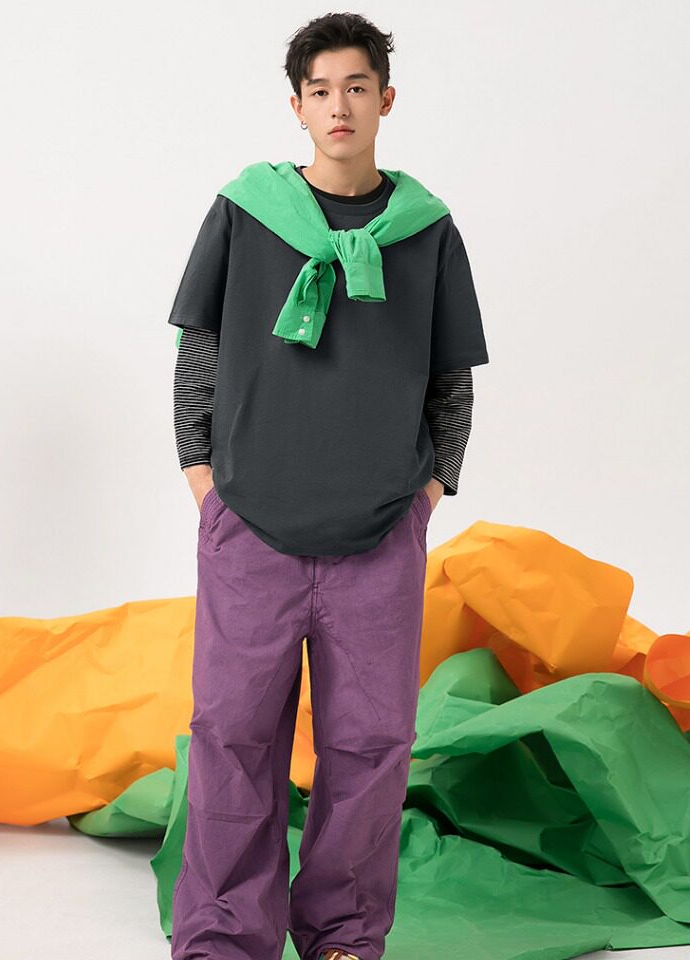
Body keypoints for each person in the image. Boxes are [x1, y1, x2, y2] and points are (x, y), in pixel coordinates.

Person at [168, 12, 489, 960]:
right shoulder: (247, 212)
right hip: (251, 529)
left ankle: (344, 935)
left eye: (356, 87)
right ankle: (225, 936)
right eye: (320, 91)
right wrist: (206, 487)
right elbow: (199, 352)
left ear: (386, 100)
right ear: (297, 107)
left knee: (371, 748)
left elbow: (451, 382)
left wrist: (426, 498)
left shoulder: (426, 231)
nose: (339, 106)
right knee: (232, 739)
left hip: (379, 538)